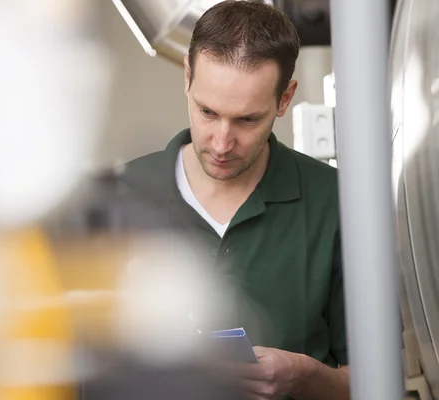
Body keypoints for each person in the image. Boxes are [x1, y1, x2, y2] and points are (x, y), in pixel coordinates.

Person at [105, 1, 350, 399]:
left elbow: (379, 381)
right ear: (187, 76)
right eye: (207, 111)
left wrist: (306, 376)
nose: (221, 142)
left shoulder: (337, 203)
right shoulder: (117, 197)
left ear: (284, 99)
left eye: (247, 120)